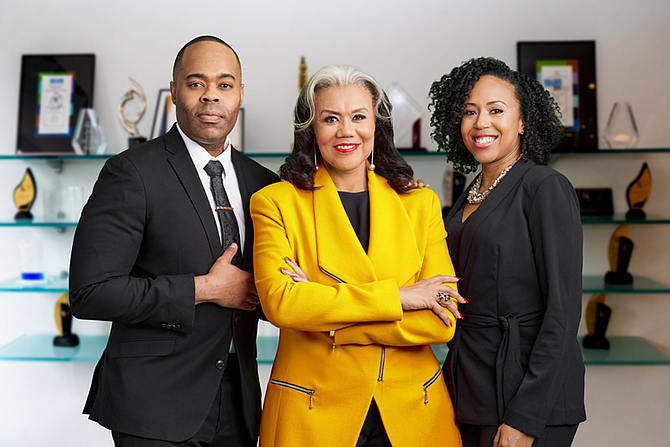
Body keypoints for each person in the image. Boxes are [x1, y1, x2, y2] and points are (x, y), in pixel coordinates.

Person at [69, 36, 278, 446]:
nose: (210, 98)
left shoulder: (263, 184)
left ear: (240, 95)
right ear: (174, 93)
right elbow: (91, 293)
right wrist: (203, 289)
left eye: (224, 85)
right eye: (196, 84)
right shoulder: (131, 173)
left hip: (239, 403)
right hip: (154, 405)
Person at [249, 64, 465, 447]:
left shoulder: (420, 203)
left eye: (358, 117)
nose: (346, 131)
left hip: (413, 412)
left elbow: (441, 321)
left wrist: (329, 321)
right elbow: (282, 304)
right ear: (310, 129)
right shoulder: (275, 202)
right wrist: (400, 297)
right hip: (312, 413)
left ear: (376, 125)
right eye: (330, 118)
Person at [428, 57, 586, 447]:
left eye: (496, 110)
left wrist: (525, 419)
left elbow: (562, 312)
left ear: (523, 121)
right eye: (469, 112)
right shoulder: (470, 193)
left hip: (526, 391)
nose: (481, 123)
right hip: (470, 381)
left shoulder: (545, 187)